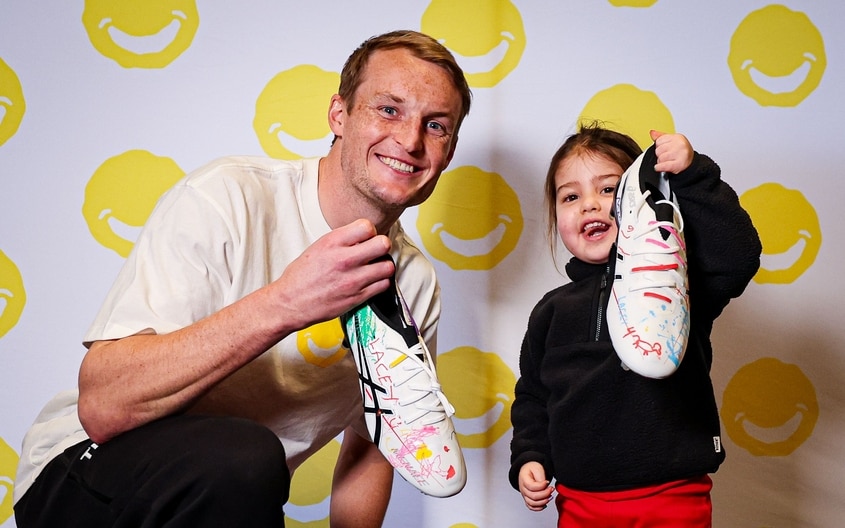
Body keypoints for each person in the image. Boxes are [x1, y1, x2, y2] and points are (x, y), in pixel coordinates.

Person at [14, 29, 472, 527]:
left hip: (223, 499)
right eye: (389, 110)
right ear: (339, 115)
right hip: (83, 473)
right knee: (246, 456)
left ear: (448, 151)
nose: (410, 140)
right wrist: (286, 303)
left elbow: (373, 448)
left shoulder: (414, 283)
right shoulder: (227, 197)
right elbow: (103, 407)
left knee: (246, 465)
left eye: (437, 126)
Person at [509, 123, 761, 526]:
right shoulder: (550, 311)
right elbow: (533, 397)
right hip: (580, 501)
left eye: (609, 189)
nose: (590, 204)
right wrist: (529, 457)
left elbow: (739, 255)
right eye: (571, 196)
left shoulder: (679, 285)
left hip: (672, 495)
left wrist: (693, 174)